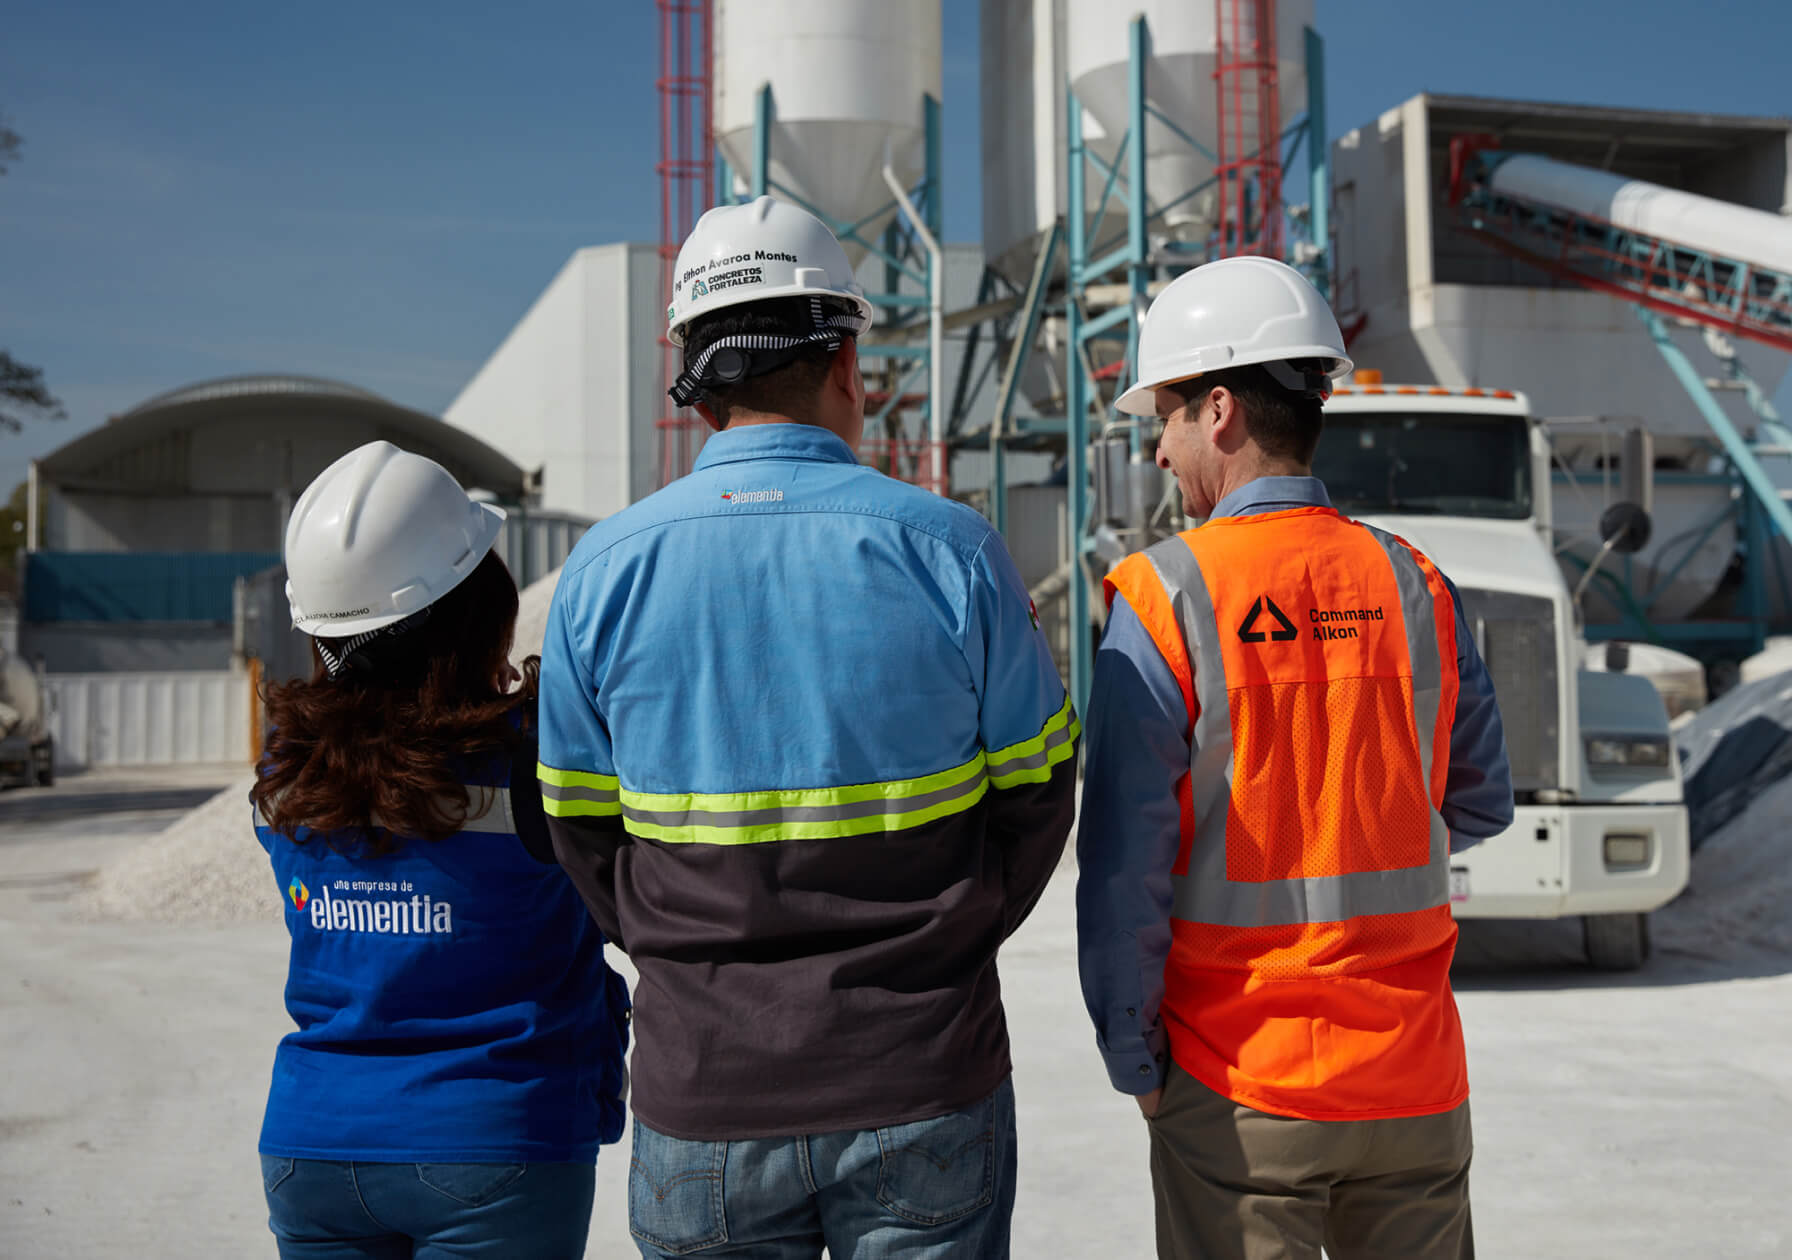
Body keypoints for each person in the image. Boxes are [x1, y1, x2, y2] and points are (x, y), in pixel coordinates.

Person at [537, 195, 1078, 1260]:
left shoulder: (600, 574)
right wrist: (942, 945)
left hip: (704, 1086)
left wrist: (681, 958)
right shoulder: (949, 549)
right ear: (845, 362)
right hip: (920, 1070)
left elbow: (581, 834)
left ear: (690, 380)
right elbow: (1038, 796)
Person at [1075, 256, 1514, 1260]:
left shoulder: (1161, 596)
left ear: (1219, 410)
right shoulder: (1415, 584)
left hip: (1240, 1090)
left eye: (1166, 415)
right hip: (1412, 1081)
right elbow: (1479, 801)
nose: (1155, 449)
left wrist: (1130, 1055)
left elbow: (1122, 870)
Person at [251, 440, 630, 1260]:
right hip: (494, 1141)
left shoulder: (288, 769)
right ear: (480, 612)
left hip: (311, 1147)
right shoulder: (535, 757)